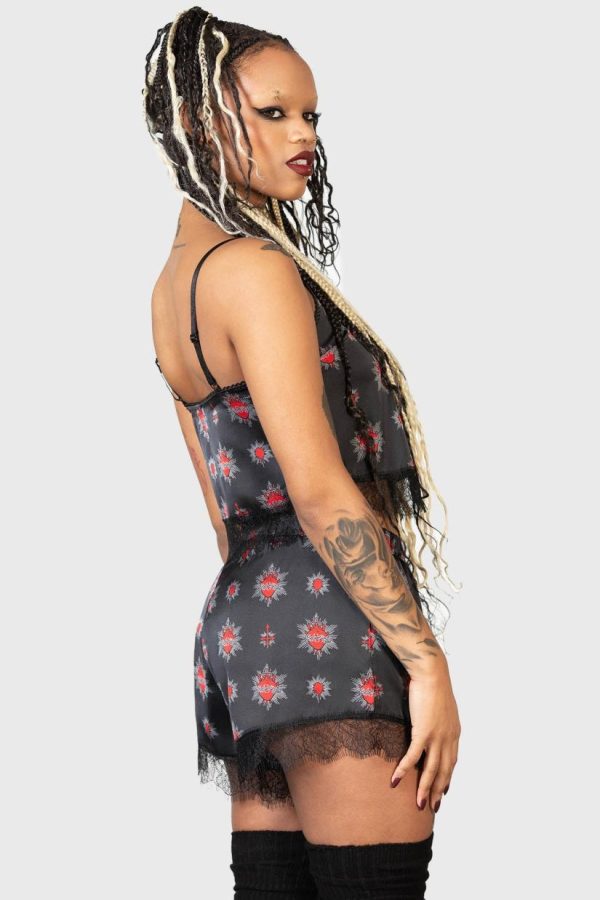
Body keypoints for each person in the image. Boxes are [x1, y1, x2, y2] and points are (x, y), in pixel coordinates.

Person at [143, 7, 462, 897]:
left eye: (311, 115)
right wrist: (424, 660)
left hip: (244, 627)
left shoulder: (172, 289)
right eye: (274, 113)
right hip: (329, 619)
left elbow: (225, 516)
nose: (305, 136)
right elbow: (320, 493)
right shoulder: (256, 270)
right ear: (201, 121)